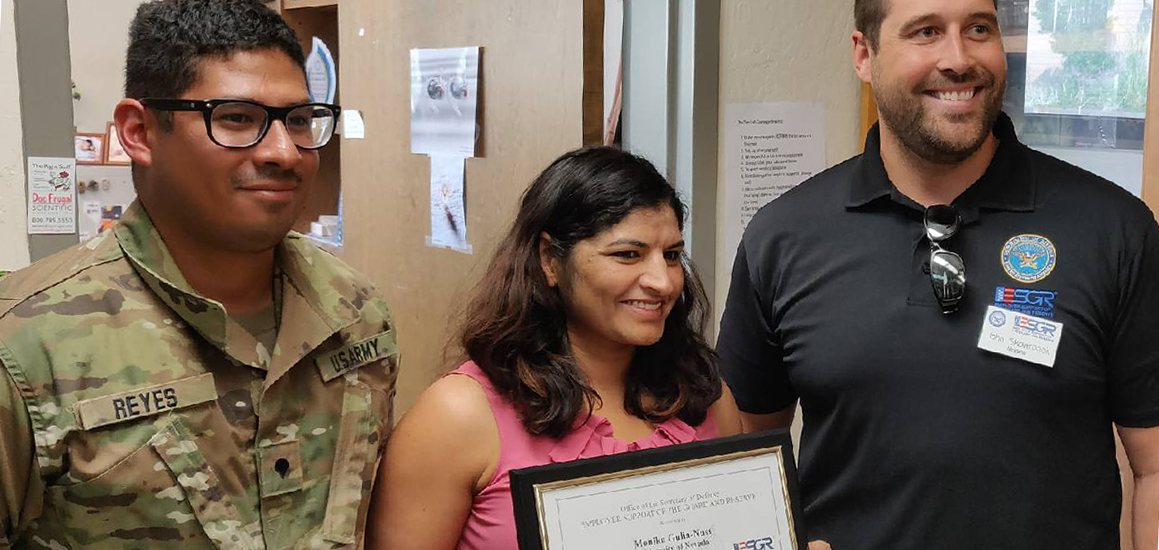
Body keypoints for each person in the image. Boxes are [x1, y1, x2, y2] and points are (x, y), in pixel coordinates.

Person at [717, 0, 1159, 548]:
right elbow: (743, 473)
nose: (958, 58)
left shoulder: (1113, 228)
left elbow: (1155, 467)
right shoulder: (784, 237)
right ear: (864, 54)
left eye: (978, 29)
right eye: (926, 32)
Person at [0, 1, 399, 548]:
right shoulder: (24, 343)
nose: (285, 152)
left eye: (300, 121)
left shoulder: (355, 310)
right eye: (237, 118)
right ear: (139, 132)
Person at [366, 147, 744, 550]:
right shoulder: (458, 415)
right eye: (627, 255)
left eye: (671, 256)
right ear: (549, 259)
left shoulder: (706, 396)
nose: (663, 282)